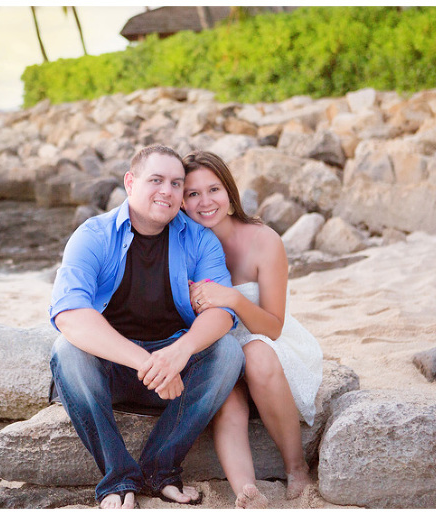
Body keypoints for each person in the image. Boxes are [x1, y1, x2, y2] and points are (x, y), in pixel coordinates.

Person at [49, 144, 245, 509]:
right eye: (156, 180)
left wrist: (180, 352)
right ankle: (117, 478)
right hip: (110, 369)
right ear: (130, 182)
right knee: (66, 351)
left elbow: (222, 312)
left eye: (176, 183)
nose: (167, 191)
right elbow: (69, 313)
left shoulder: (199, 239)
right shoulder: (93, 235)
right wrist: (146, 362)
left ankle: (160, 470)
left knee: (228, 352)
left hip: (175, 372)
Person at [181, 150, 323, 508]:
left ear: (229, 193)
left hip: (265, 339)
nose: (205, 201)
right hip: (217, 343)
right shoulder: (181, 244)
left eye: (213, 189)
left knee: (256, 354)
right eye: (193, 193)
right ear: (181, 201)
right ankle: (246, 491)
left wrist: (233, 298)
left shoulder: (264, 241)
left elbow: (274, 327)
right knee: (226, 393)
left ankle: (296, 468)